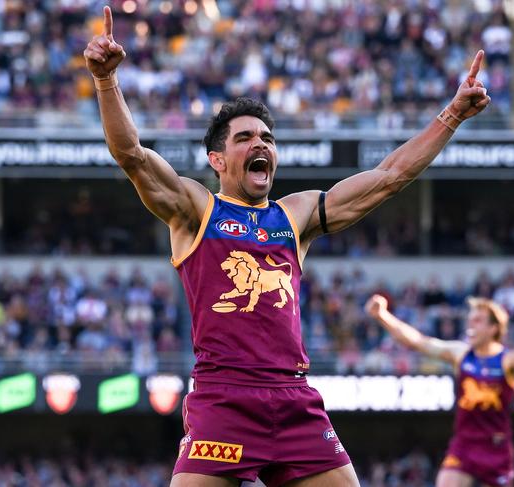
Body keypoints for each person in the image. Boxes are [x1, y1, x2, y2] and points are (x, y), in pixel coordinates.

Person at [84, 6, 490, 486]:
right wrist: (107, 82)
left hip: (295, 399)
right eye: (246, 137)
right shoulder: (197, 209)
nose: (262, 143)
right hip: (225, 400)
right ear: (217, 158)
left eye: (268, 137)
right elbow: (131, 154)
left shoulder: (294, 215)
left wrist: (452, 116)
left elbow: (389, 178)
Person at [365, 294, 514, 487]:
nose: (470, 326)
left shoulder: (508, 360)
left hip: (497, 448)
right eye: (470, 320)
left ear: (493, 328)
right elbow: (418, 341)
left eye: (478, 321)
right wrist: (382, 315)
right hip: (464, 445)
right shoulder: (461, 355)